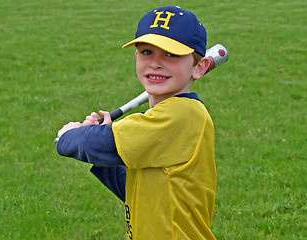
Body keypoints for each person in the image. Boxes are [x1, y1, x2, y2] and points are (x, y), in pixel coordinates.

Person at [56, 6, 217, 240]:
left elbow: (101, 145)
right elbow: (137, 191)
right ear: (136, 57)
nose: (155, 63)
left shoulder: (182, 115)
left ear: (199, 67)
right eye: (147, 52)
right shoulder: (161, 122)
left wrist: (70, 135)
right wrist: (100, 137)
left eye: (171, 54)